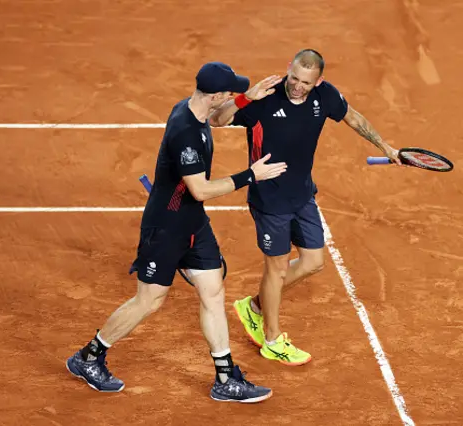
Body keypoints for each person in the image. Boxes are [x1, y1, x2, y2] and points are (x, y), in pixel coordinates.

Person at [66, 62, 287, 402]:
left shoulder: (193, 108)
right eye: (229, 92)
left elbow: (217, 118)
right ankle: (89, 357)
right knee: (149, 300)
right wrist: (251, 175)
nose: (233, 95)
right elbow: (200, 190)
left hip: (193, 224)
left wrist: (247, 98)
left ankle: (225, 378)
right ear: (214, 95)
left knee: (212, 291)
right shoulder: (185, 133)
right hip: (166, 228)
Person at [209, 49, 402, 366]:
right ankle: (271, 340)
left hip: (301, 194)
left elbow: (353, 117)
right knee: (277, 268)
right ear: (289, 68)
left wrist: (386, 146)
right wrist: (247, 97)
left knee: (313, 261)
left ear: (319, 80)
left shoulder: (325, 96)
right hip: (269, 199)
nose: (297, 86)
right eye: (294, 78)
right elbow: (216, 120)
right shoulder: (265, 97)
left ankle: (254, 306)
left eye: (306, 83)